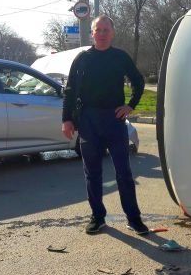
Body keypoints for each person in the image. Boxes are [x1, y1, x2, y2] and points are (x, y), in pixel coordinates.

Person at [61, 15, 148, 235]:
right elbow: (70, 90)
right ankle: (97, 217)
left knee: (124, 172)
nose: (101, 33)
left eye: (105, 29)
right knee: (92, 172)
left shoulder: (120, 57)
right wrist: (67, 119)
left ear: (112, 32)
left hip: (115, 120)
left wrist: (130, 106)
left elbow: (138, 82)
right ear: (92, 33)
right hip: (89, 120)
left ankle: (134, 218)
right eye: (97, 30)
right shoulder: (82, 59)